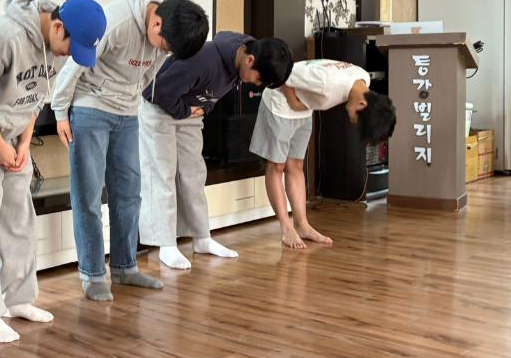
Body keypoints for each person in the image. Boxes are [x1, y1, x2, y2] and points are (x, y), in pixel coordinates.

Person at [0, 0, 106, 342]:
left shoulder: (55, 47)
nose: (69, 55)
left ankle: (16, 298)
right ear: (58, 27)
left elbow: (35, 99)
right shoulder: (3, 36)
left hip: (14, 133)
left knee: (19, 217)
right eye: (71, 47)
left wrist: (22, 143)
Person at [51, 0, 209, 301]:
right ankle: (93, 275)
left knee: (128, 194)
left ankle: (125, 268)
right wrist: (60, 112)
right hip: (91, 108)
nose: (163, 52)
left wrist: (133, 99)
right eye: (165, 45)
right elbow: (75, 65)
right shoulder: (117, 21)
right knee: (88, 195)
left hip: (127, 114)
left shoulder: (166, 38)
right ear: (156, 23)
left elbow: (149, 75)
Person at [139, 33, 293, 269]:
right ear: (250, 60)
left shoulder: (245, 55)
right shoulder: (203, 59)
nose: (256, 84)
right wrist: (188, 111)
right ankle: (165, 244)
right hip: (159, 109)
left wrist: (202, 109)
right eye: (259, 79)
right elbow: (157, 92)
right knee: (163, 174)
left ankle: (201, 237)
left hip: (189, 112)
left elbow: (212, 96)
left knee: (193, 176)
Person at [250, 59, 396, 249]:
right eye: (357, 120)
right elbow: (282, 71)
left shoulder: (362, 78)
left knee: (295, 166)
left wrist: (299, 106)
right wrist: (293, 102)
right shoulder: (326, 82)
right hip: (279, 105)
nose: (353, 122)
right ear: (362, 103)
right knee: (277, 166)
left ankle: (302, 225)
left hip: (303, 111)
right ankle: (286, 228)